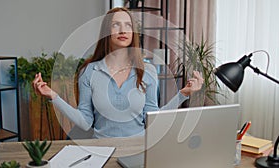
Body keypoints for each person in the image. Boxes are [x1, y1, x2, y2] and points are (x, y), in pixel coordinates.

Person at [32, 7, 204, 138]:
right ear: (107, 31)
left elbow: (153, 119)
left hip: (138, 148)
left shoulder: (147, 71)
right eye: (116, 24)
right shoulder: (89, 71)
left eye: (128, 25)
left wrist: (183, 94)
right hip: (102, 148)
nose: (123, 30)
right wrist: (53, 96)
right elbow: (85, 123)